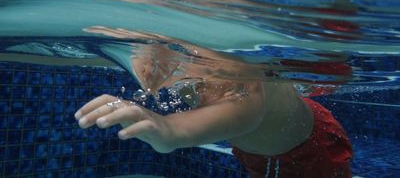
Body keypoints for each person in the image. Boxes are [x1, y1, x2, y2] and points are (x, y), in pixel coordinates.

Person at [75, 27, 353, 178]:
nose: (147, 65)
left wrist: (164, 129)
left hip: (311, 148)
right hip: (261, 148)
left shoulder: (236, 79)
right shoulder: (173, 58)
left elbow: (176, 133)